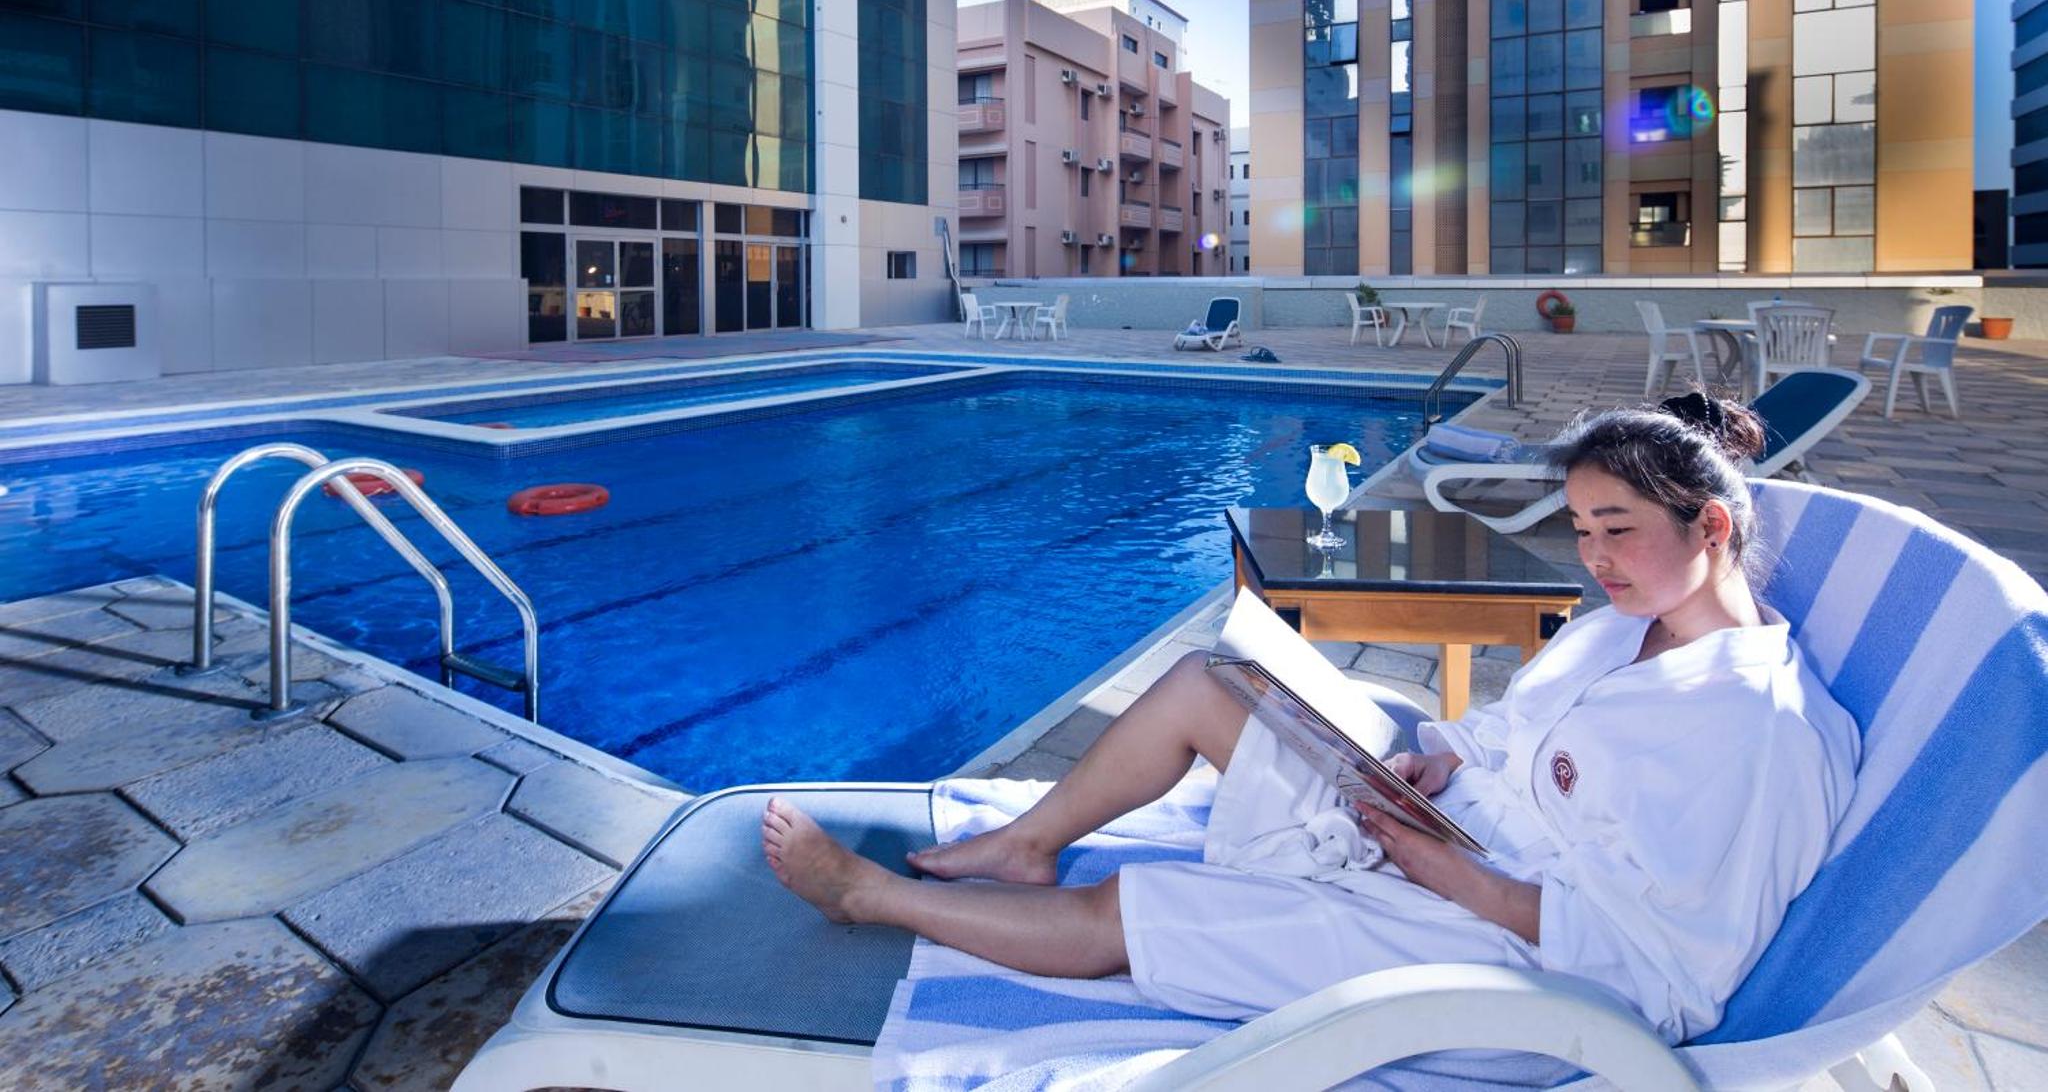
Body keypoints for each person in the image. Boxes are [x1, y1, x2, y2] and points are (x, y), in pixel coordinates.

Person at [763, 392, 1860, 1051]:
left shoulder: (1752, 735)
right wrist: (1433, 767)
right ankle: (1026, 842)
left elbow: (1668, 978)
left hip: (1497, 944)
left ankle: (869, 896)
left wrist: (1448, 876)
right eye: (1579, 530)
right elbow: (1506, 738)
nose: (1590, 560)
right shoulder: (1627, 628)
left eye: (1612, 530)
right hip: (1449, 830)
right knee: (1210, 678)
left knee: (1140, 911)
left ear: (1709, 523)